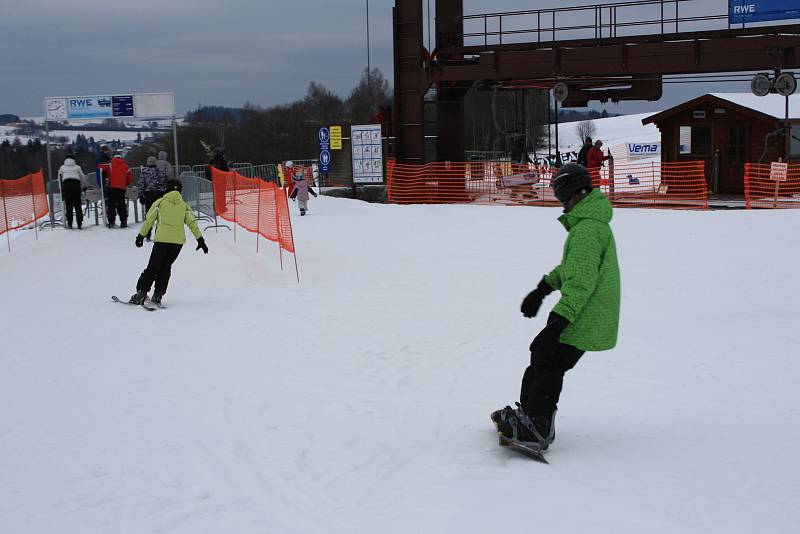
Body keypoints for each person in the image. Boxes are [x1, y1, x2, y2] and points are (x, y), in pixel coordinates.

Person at [492, 163, 620, 452]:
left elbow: (581, 283)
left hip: (586, 312)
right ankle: (531, 416)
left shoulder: (587, 230)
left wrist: (559, 321)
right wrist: (543, 288)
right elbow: (572, 269)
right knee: (543, 354)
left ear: (571, 194)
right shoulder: (589, 224)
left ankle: (537, 426)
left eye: (562, 197)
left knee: (549, 358)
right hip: (587, 310)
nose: (562, 205)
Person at [129, 179, 208, 306]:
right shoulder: (184, 205)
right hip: (177, 243)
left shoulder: (160, 202)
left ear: (167, 188)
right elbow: (192, 223)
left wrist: (141, 236)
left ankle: (141, 292)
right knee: (165, 267)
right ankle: (158, 294)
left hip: (162, 241)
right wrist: (200, 240)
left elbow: (149, 220)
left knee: (153, 267)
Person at [138, 156, 167, 240]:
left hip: (149, 195)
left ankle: (147, 233)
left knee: (149, 215)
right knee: (160, 214)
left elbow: (141, 184)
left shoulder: (144, 172)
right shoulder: (161, 172)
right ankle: (159, 233)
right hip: (159, 195)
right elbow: (166, 183)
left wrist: (141, 195)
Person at [57, 154, 87, 229]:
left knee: (69, 205)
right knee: (77, 204)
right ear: (74, 160)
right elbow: (82, 177)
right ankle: (79, 222)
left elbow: (59, 178)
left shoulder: (62, 168)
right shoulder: (77, 167)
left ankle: (70, 223)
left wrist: (60, 188)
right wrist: (84, 186)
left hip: (66, 184)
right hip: (76, 184)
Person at [106, 155, 133, 228]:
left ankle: (111, 222)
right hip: (121, 188)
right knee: (121, 204)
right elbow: (130, 178)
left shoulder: (110, 165)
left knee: (112, 205)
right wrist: (125, 184)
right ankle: (123, 221)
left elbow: (107, 175)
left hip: (112, 187)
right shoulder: (126, 166)